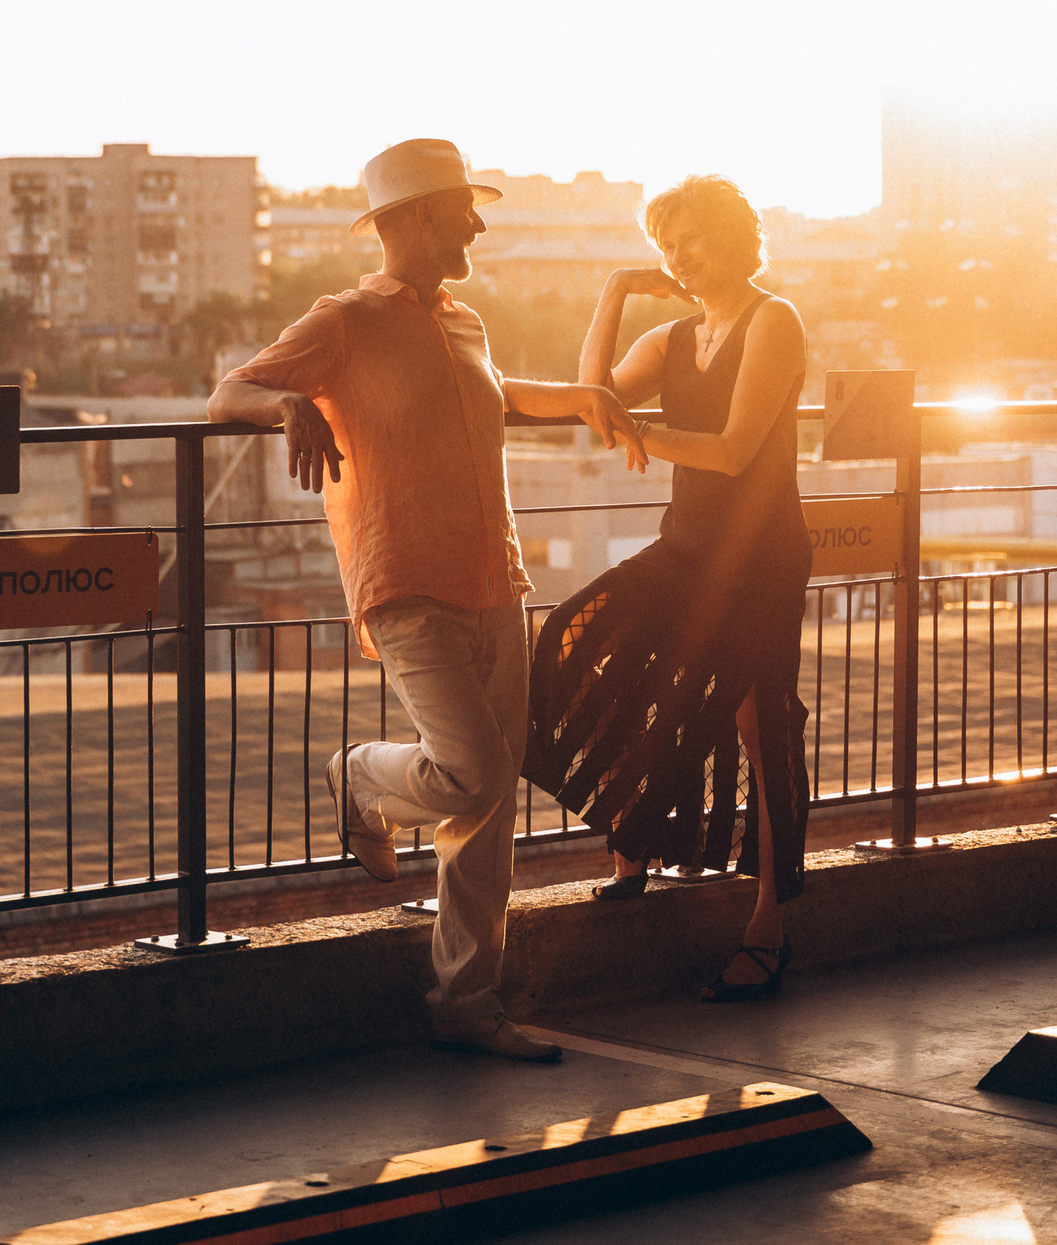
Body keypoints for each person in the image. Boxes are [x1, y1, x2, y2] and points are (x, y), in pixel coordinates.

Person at [209, 138, 645, 1061]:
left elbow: (492, 397)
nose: (478, 226)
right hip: (404, 582)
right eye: (462, 211)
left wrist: (580, 398)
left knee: (487, 810)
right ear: (412, 220)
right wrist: (285, 406)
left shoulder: (465, 322)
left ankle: (466, 1003)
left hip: (495, 576)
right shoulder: (344, 320)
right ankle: (360, 777)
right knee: (475, 775)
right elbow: (227, 392)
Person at [522, 173, 812, 1003]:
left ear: (732, 236)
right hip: (686, 548)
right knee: (572, 633)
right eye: (665, 247)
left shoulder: (773, 320)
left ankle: (768, 925)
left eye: (691, 240)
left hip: (758, 562)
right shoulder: (676, 335)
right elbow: (594, 400)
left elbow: (733, 450)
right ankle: (635, 830)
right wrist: (614, 291)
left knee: (760, 728)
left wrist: (638, 430)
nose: (678, 257)